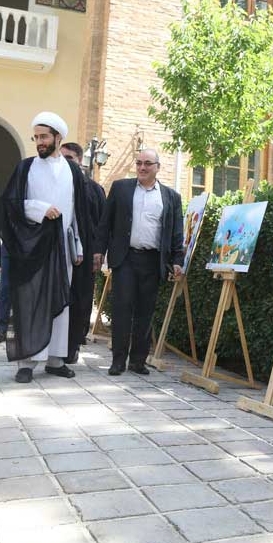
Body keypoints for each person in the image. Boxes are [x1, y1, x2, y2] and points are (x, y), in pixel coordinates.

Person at [1, 112, 93, 383]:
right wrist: (40, 209)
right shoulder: (26, 167)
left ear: (58, 137)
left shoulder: (74, 171)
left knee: (61, 302)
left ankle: (55, 359)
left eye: (43, 137)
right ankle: (27, 361)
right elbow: (12, 203)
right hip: (33, 244)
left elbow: (78, 212)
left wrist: (78, 245)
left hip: (63, 245)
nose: (39, 142)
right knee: (31, 299)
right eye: (36, 137)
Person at [95, 149, 183, 376]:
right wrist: (99, 251)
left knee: (145, 312)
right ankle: (117, 361)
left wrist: (177, 260)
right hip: (125, 258)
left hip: (153, 261)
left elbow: (175, 233)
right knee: (122, 309)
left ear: (158, 167)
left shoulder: (171, 197)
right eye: (139, 163)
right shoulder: (121, 188)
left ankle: (137, 361)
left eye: (148, 164)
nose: (142, 167)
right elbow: (105, 222)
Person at [60, 142, 106, 363]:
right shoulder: (56, 184)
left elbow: (102, 225)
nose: (65, 162)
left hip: (84, 256)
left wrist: (98, 252)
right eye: (62, 158)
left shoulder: (94, 190)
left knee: (80, 300)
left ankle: (73, 344)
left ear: (79, 160)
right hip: (57, 255)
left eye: (69, 157)